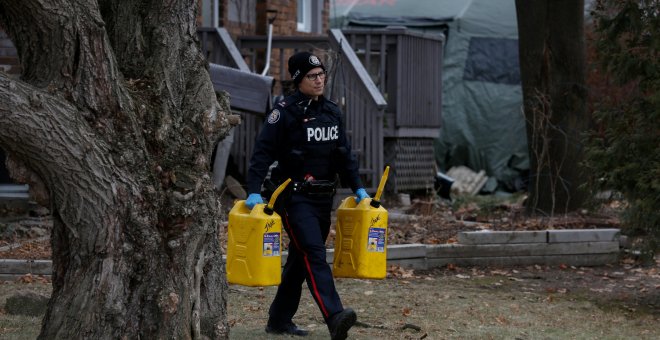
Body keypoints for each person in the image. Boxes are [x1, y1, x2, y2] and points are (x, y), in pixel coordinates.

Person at [245, 51, 370, 340]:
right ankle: (334, 315)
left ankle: (278, 320)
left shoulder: (331, 112)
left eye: (322, 75)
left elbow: (344, 156)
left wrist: (359, 188)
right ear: (298, 79)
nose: (319, 80)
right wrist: (253, 191)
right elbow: (262, 153)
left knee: (300, 260)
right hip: (293, 198)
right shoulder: (284, 112)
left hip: (323, 199)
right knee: (314, 252)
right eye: (312, 76)